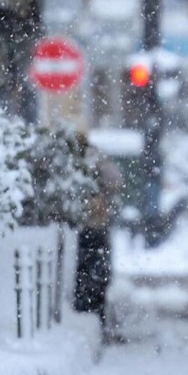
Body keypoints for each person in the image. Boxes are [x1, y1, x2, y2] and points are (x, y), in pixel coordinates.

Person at [72, 131, 124, 342]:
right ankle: (97, 317)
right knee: (97, 274)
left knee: (84, 273)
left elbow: (116, 181)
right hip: (96, 224)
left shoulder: (71, 161)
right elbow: (116, 181)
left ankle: (89, 313)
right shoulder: (96, 158)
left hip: (83, 226)